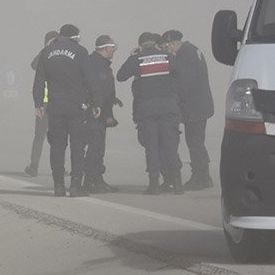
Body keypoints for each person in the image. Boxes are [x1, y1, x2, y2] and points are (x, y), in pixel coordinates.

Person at [32, 24, 96, 197]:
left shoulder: (47, 52)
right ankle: (75, 186)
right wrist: (95, 103)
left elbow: (39, 80)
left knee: (57, 147)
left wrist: (38, 104)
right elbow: (90, 79)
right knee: (77, 146)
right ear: (75, 37)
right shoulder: (81, 52)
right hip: (76, 107)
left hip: (55, 107)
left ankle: (58, 186)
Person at [117, 32, 183, 195]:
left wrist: (131, 57)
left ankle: (154, 184)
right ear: (155, 43)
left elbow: (120, 76)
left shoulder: (137, 59)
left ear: (140, 45)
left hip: (146, 110)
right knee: (169, 146)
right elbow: (180, 75)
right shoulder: (167, 57)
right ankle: (177, 183)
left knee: (151, 147)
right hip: (167, 108)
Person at [163, 29, 215, 190]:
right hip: (201, 104)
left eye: (167, 47)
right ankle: (204, 176)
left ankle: (200, 177)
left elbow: (183, 84)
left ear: (173, 44)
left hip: (194, 107)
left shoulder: (184, 56)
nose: (167, 50)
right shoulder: (193, 50)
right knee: (197, 142)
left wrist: (173, 100)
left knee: (195, 143)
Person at [82, 35, 122, 193]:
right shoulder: (99, 65)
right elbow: (100, 91)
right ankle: (92, 181)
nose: (114, 51)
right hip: (96, 113)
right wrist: (107, 114)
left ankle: (95, 179)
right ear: (106, 48)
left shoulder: (94, 62)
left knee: (96, 147)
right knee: (96, 147)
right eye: (113, 48)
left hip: (94, 110)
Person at [25, 30, 58, 177]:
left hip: (58, 103)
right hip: (44, 104)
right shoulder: (44, 55)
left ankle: (59, 167)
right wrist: (46, 49)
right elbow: (33, 65)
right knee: (39, 136)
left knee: (58, 137)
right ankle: (34, 166)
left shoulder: (59, 56)